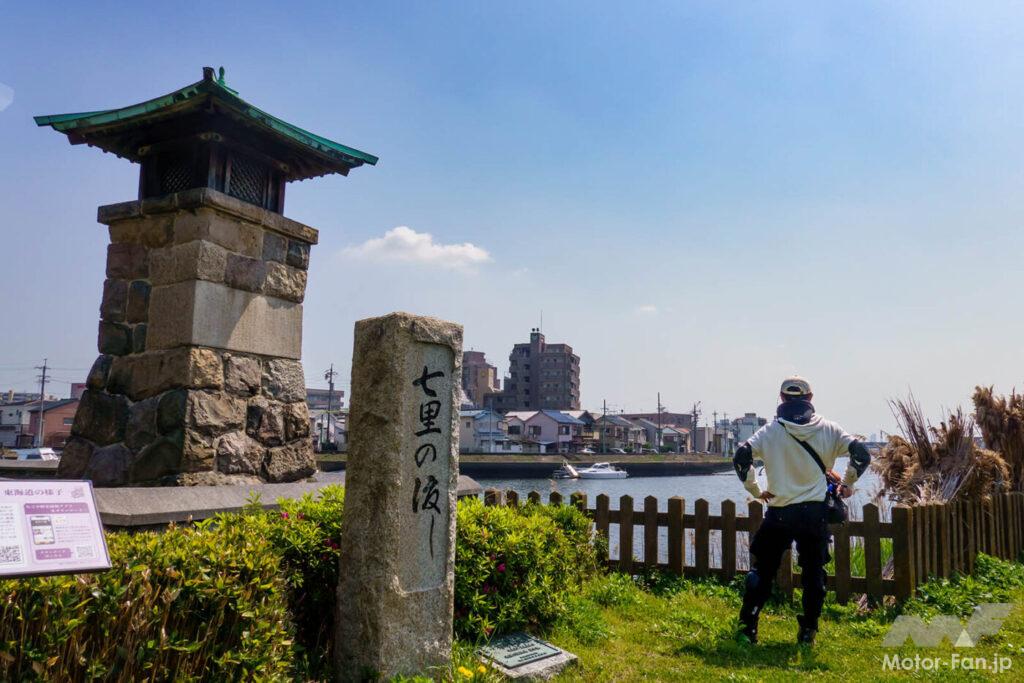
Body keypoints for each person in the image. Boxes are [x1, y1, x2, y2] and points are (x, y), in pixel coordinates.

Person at [731, 376, 871, 646]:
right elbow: (862, 454)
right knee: (813, 573)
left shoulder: (769, 431)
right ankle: (808, 632)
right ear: (810, 398)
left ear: (782, 398)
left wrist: (756, 490)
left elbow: (741, 456)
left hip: (780, 510)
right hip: (814, 513)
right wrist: (847, 484)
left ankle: (747, 628)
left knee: (762, 571)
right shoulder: (829, 429)